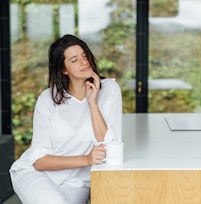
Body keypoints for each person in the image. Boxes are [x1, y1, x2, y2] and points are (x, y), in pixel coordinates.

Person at [9, 34, 122, 204]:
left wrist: (92, 103)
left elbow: (109, 145)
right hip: (35, 173)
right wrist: (86, 159)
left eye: (85, 56)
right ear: (64, 69)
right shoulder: (48, 99)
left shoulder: (109, 90)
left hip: (76, 180)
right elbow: (39, 160)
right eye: (75, 60)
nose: (84, 62)